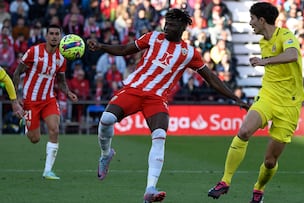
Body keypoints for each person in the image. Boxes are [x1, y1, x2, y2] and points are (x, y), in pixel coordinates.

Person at [86, 8, 249, 203]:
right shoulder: (153, 37)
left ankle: (150, 189)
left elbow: (211, 79)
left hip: (157, 98)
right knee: (106, 120)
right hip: (133, 89)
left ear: (182, 27)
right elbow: (123, 50)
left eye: (171, 25)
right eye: (166, 23)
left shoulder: (189, 53)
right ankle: (106, 154)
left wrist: (234, 97)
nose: (167, 27)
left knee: (159, 137)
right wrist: (101, 46)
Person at [208, 2, 304, 203]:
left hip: (290, 104)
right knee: (243, 131)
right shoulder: (263, 42)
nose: (250, 23)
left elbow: (292, 55)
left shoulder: (286, 36)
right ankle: (225, 181)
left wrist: (264, 61)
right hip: (268, 96)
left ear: (262, 20)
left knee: (270, 162)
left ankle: (259, 189)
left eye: (252, 18)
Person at [12, 24, 78, 180]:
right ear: (46, 35)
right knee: (35, 139)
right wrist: (16, 97)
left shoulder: (62, 57)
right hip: (31, 100)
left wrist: (68, 92)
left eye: (57, 34)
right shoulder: (34, 52)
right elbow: (17, 73)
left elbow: (61, 80)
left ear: (60, 36)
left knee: (54, 129)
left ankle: (48, 171)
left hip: (49, 99)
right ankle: (26, 125)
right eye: (52, 33)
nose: (54, 36)